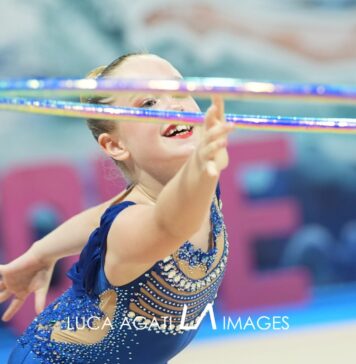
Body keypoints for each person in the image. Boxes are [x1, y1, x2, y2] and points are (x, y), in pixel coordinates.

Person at [0, 53, 234, 363]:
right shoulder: (138, 223)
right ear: (115, 145)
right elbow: (168, 225)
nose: (175, 105)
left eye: (179, 91)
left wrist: (40, 253)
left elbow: (99, 218)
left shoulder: (188, 189)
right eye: (148, 103)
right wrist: (202, 169)